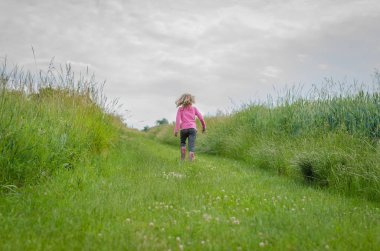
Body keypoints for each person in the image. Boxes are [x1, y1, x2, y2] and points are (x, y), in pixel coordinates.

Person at [174, 93, 206, 161]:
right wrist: (204, 127)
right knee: (191, 145)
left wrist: (176, 130)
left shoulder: (180, 109)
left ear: (182, 100)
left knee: (183, 143)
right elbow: (201, 118)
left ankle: (182, 158)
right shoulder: (194, 108)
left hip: (183, 129)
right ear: (191, 100)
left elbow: (177, 120)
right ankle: (191, 156)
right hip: (192, 129)